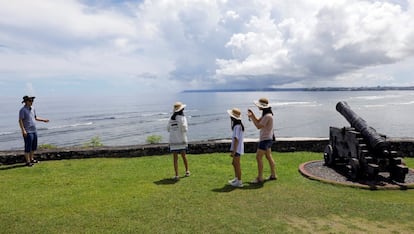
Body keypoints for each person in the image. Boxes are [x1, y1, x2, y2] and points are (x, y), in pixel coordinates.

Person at [247, 97, 277, 183]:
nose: (258, 107)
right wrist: (252, 115)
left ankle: (260, 177)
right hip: (268, 138)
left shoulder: (267, 116)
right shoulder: (266, 115)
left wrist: (252, 118)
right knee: (268, 156)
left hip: (265, 139)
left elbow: (258, 126)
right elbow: (258, 121)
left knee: (258, 157)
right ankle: (273, 174)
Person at [18, 96, 49, 167]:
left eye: (32, 101)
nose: (31, 102)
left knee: (33, 147)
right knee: (28, 147)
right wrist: (23, 130)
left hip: (34, 130)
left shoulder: (33, 108)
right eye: (30, 101)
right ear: (26, 102)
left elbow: (35, 118)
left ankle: (32, 159)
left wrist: (44, 120)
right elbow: (20, 121)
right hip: (28, 131)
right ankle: (28, 162)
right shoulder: (22, 110)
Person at [167, 102, 190, 180]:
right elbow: (185, 129)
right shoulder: (183, 118)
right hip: (181, 140)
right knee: (184, 156)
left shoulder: (171, 118)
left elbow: (168, 129)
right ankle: (187, 171)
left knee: (175, 158)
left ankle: (176, 175)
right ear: (182, 110)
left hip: (173, 141)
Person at [227, 108, 245, 188]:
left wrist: (233, 151)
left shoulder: (237, 127)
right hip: (238, 148)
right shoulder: (239, 126)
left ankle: (239, 181)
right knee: (234, 163)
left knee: (237, 165)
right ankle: (236, 179)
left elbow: (236, 139)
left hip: (237, 149)